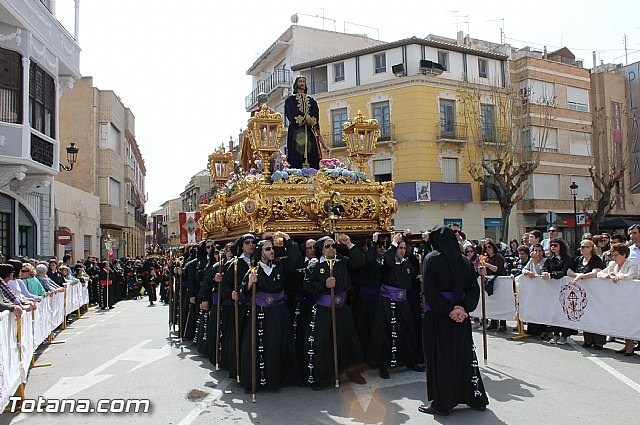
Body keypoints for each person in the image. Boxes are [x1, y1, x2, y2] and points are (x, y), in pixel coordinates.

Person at [420, 225, 488, 416]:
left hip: (440, 318)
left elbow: (430, 290)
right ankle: (473, 397)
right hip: (461, 318)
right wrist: (463, 308)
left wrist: (451, 310)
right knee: (463, 356)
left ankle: (442, 402)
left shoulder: (431, 259)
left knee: (441, 359)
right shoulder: (465, 261)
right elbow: (473, 290)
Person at [303, 233, 366, 389]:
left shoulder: (342, 262)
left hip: (341, 309)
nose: (332, 249)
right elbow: (308, 287)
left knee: (349, 341)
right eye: (328, 246)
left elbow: (359, 262)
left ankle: (353, 372)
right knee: (322, 343)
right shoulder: (314, 265)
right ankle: (320, 376)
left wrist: (349, 244)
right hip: (323, 310)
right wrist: (324, 285)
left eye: (333, 246)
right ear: (321, 249)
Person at [239, 233, 301, 391]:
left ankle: (278, 379)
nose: (272, 251)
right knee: (261, 346)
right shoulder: (253, 270)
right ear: (261, 252)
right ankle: (258, 380)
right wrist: (249, 284)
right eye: (268, 249)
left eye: (272, 248)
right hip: (261, 313)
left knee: (278, 345)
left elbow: (296, 259)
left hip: (279, 312)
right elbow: (243, 294)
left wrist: (288, 239)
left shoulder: (280, 265)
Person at [368, 232, 423, 379]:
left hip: (403, 302)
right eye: (400, 248)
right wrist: (393, 243)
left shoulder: (407, 264)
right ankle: (383, 365)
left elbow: (411, 280)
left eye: (404, 248)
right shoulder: (387, 263)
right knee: (385, 333)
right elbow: (388, 262)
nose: (402, 251)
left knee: (407, 330)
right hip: (387, 302)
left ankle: (410, 361)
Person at [597, 243, 639, 356]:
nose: (613, 258)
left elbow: (630, 276)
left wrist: (617, 276)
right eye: (613, 255)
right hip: (617, 299)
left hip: (630, 298)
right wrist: (608, 276)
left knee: (629, 320)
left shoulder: (632, 264)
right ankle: (626, 345)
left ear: (624, 255)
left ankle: (630, 346)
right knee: (621, 321)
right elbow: (600, 274)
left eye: (616, 255)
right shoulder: (612, 264)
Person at [567, 239, 606, 349]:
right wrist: (577, 274)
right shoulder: (578, 259)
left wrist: (582, 276)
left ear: (590, 248)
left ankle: (598, 341)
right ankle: (588, 340)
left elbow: (596, 272)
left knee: (596, 315)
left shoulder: (595, 259)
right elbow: (568, 271)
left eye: (584, 247)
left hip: (595, 293)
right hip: (582, 293)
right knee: (585, 314)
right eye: (581, 247)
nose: (582, 249)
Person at [284, 76, 327, 169]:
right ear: (296, 84)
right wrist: (304, 118)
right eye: (300, 81)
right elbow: (291, 112)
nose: (302, 83)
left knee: (311, 151)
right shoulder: (290, 100)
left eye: (304, 81)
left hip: (308, 130)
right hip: (296, 131)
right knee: (296, 152)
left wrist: (311, 119)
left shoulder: (312, 100)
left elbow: (315, 112)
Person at [541, 238, 572, 344]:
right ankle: (555, 334)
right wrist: (545, 273)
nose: (553, 247)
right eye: (552, 245)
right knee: (553, 311)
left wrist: (551, 275)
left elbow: (564, 272)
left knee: (563, 311)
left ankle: (564, 335)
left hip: (563, 289)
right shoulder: (550, 259)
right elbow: (545, 268)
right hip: (552, 290)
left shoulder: (567, 258)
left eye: (555, 245)